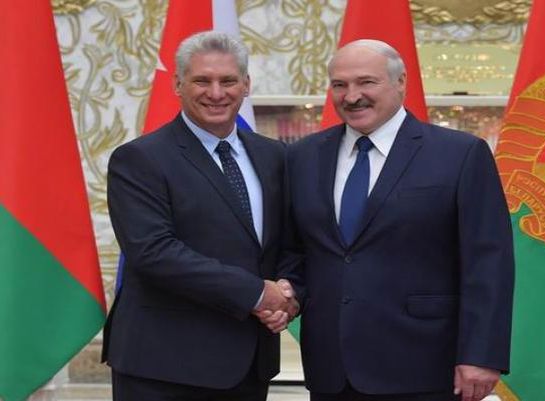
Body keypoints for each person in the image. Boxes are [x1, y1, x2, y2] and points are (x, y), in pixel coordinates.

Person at [277, 39, 515, 401]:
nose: (351, 95)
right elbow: (296, 248)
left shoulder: (461, 154)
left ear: (400, 82)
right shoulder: (303, 157)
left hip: (425, 366)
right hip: (332, 369)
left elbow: (489, 262)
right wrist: (288, 291)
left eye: (366, 82)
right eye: (339, 85)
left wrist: (481, 354)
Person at [102, 31, 297, 401]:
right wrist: (258, 294)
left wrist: (291, 294)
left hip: (249, 363)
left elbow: (291, 241)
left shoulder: (275, 156)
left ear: (246, 85)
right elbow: (154, 252)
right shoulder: (140, 159)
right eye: (201, 80)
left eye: (228, 81)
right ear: (177, 84)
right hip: (165, 368)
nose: (216, 92)